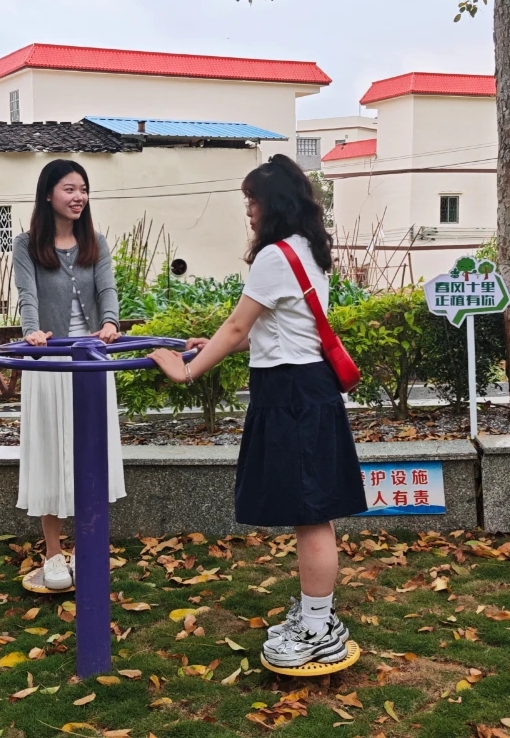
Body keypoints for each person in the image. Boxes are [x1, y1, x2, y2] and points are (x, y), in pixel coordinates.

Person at [148, 155, 367, 669]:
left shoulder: (274, 256)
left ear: (274, 203)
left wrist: (186, 371)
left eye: (253, 200)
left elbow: (236, 328)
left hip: (292, 394)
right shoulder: (306, 248)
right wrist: (211, 346)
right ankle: (316, 615)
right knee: (309, 512)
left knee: (311, 516)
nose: (248, 210)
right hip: (301, 387)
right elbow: (278, 329)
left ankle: (318, 627)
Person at [13, 159, 123, 590]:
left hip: (90, 358)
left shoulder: (95, 241)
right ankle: (54, 553)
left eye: (83, 189)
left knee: (89, 452)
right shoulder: (27, 245)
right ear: (48, 194)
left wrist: (110, 323)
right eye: (69, 189)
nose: (79, 197)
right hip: (51, 360)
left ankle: (90, 545)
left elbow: (107, 288)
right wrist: (32, 332)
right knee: (51, 453)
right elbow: (27, 294)